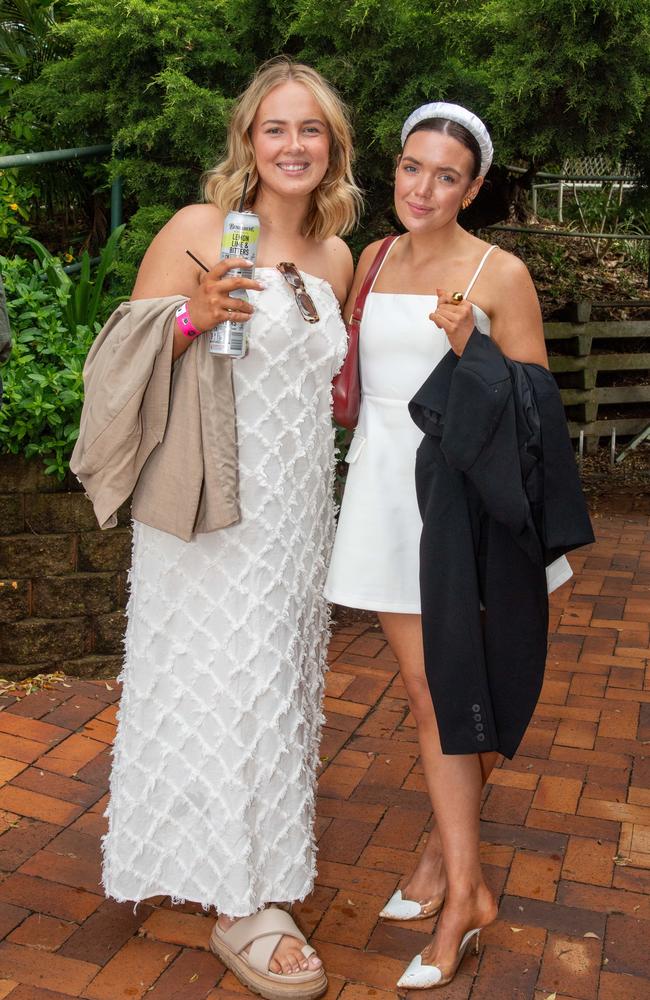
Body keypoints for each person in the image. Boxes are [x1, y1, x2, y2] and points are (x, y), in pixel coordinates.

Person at [72, 56, 361, 1000]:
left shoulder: (336, 256)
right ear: (248, 141)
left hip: (294, 513)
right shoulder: (201, 231)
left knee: (274, 685)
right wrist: (191, 317)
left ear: (333, 147)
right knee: (213, 680)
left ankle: (229, 856)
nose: (293, 145)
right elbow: (117, 353)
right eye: (275, 129)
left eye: (310, 129)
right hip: (208, 512)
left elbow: (328, 392)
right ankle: (244, 901)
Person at [324, 102, 578, 989]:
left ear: (473, 187)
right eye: (411, 168)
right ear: (394, 168)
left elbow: (540, 407)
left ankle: (461, 888)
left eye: (445, 175)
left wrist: (477, 350)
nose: (422, 188)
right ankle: (448, 862)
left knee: (448, 693)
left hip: (470, 501)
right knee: (435, 694)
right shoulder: (374, 258)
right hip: (387, 494)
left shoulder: (497, 272)